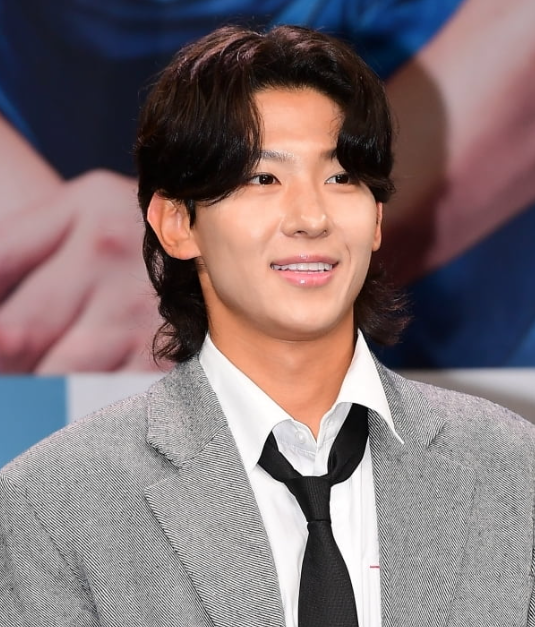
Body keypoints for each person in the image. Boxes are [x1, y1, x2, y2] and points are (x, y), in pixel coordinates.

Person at [1, 24, 534, 626]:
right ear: (177, 223)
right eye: (263, 179)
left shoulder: (514, 470)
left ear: (376, 220)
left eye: (341, 178)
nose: (311, 218)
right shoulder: (53, 504)